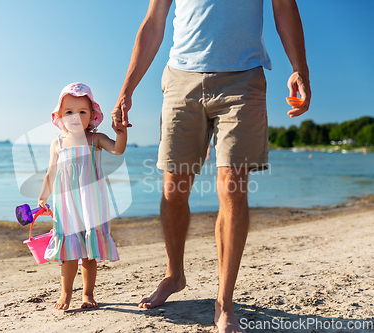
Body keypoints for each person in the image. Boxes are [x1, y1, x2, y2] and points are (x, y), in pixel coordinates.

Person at [112, 1, 311, 332]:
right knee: (173, 189)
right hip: (180, 79)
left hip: (242, 81)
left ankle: (224, 301)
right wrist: (126, 89)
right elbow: (153, 21)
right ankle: (174, 274)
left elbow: (285, 8)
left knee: (232, 188)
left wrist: (299, 68)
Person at [38, 82, 127, 310]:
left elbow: (117, 149)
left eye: (82, 112)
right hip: (66, 204)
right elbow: (52, 171)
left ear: (92, 116)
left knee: (89, 253)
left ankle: (87, 294)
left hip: (91, 204)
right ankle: (66, 293)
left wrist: (122, 132)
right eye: (69, 112)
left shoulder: (95, 139)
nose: (75, 117)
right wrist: (43, 197)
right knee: (68, 252)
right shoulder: (57, 143)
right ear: (60, 116)